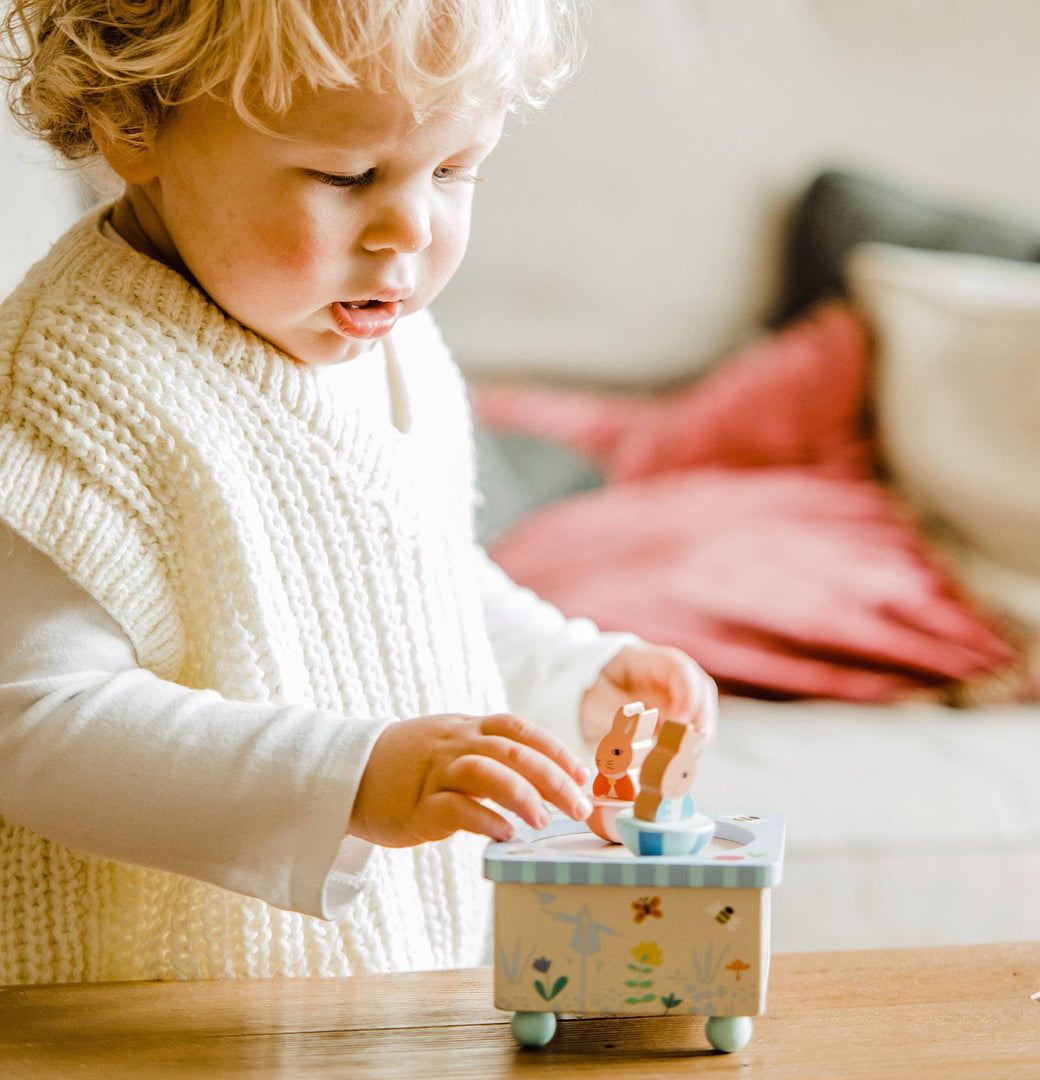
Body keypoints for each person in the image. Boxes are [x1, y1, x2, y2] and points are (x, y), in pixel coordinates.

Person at [0, 0, 718, 986]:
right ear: (136, 126)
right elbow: (37, 726)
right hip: (158, 1005)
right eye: (348, 176)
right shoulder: (69, 389)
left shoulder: (386, 336)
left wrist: (573, 672)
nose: (412, 230)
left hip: (393, 975)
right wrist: (354, 779)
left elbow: (410, 576)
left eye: (457, 169)